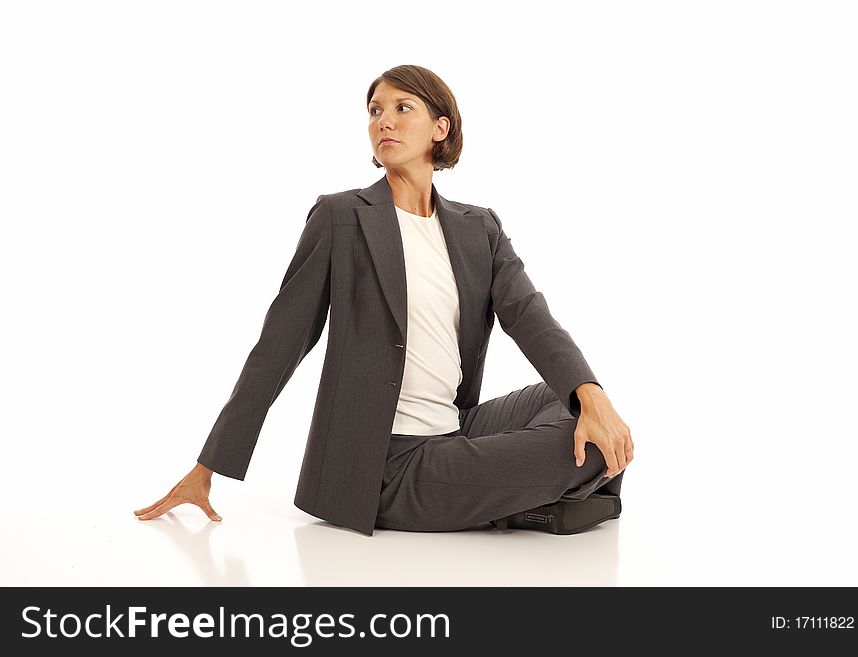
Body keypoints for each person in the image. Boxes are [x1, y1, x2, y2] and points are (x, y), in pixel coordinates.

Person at [134, 64, 634, 535]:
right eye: (375, 110)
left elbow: (530, 317)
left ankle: (511, 495)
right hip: (387, 463)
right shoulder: (342, 217)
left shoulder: (477, 228)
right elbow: (281, 343)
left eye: (402, 108)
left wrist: (590, 395)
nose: (384, 122)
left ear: (440, 128)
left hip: (456, 429)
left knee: (579, 401)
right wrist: (208, 466)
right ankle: (529, 503)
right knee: (586, 450)